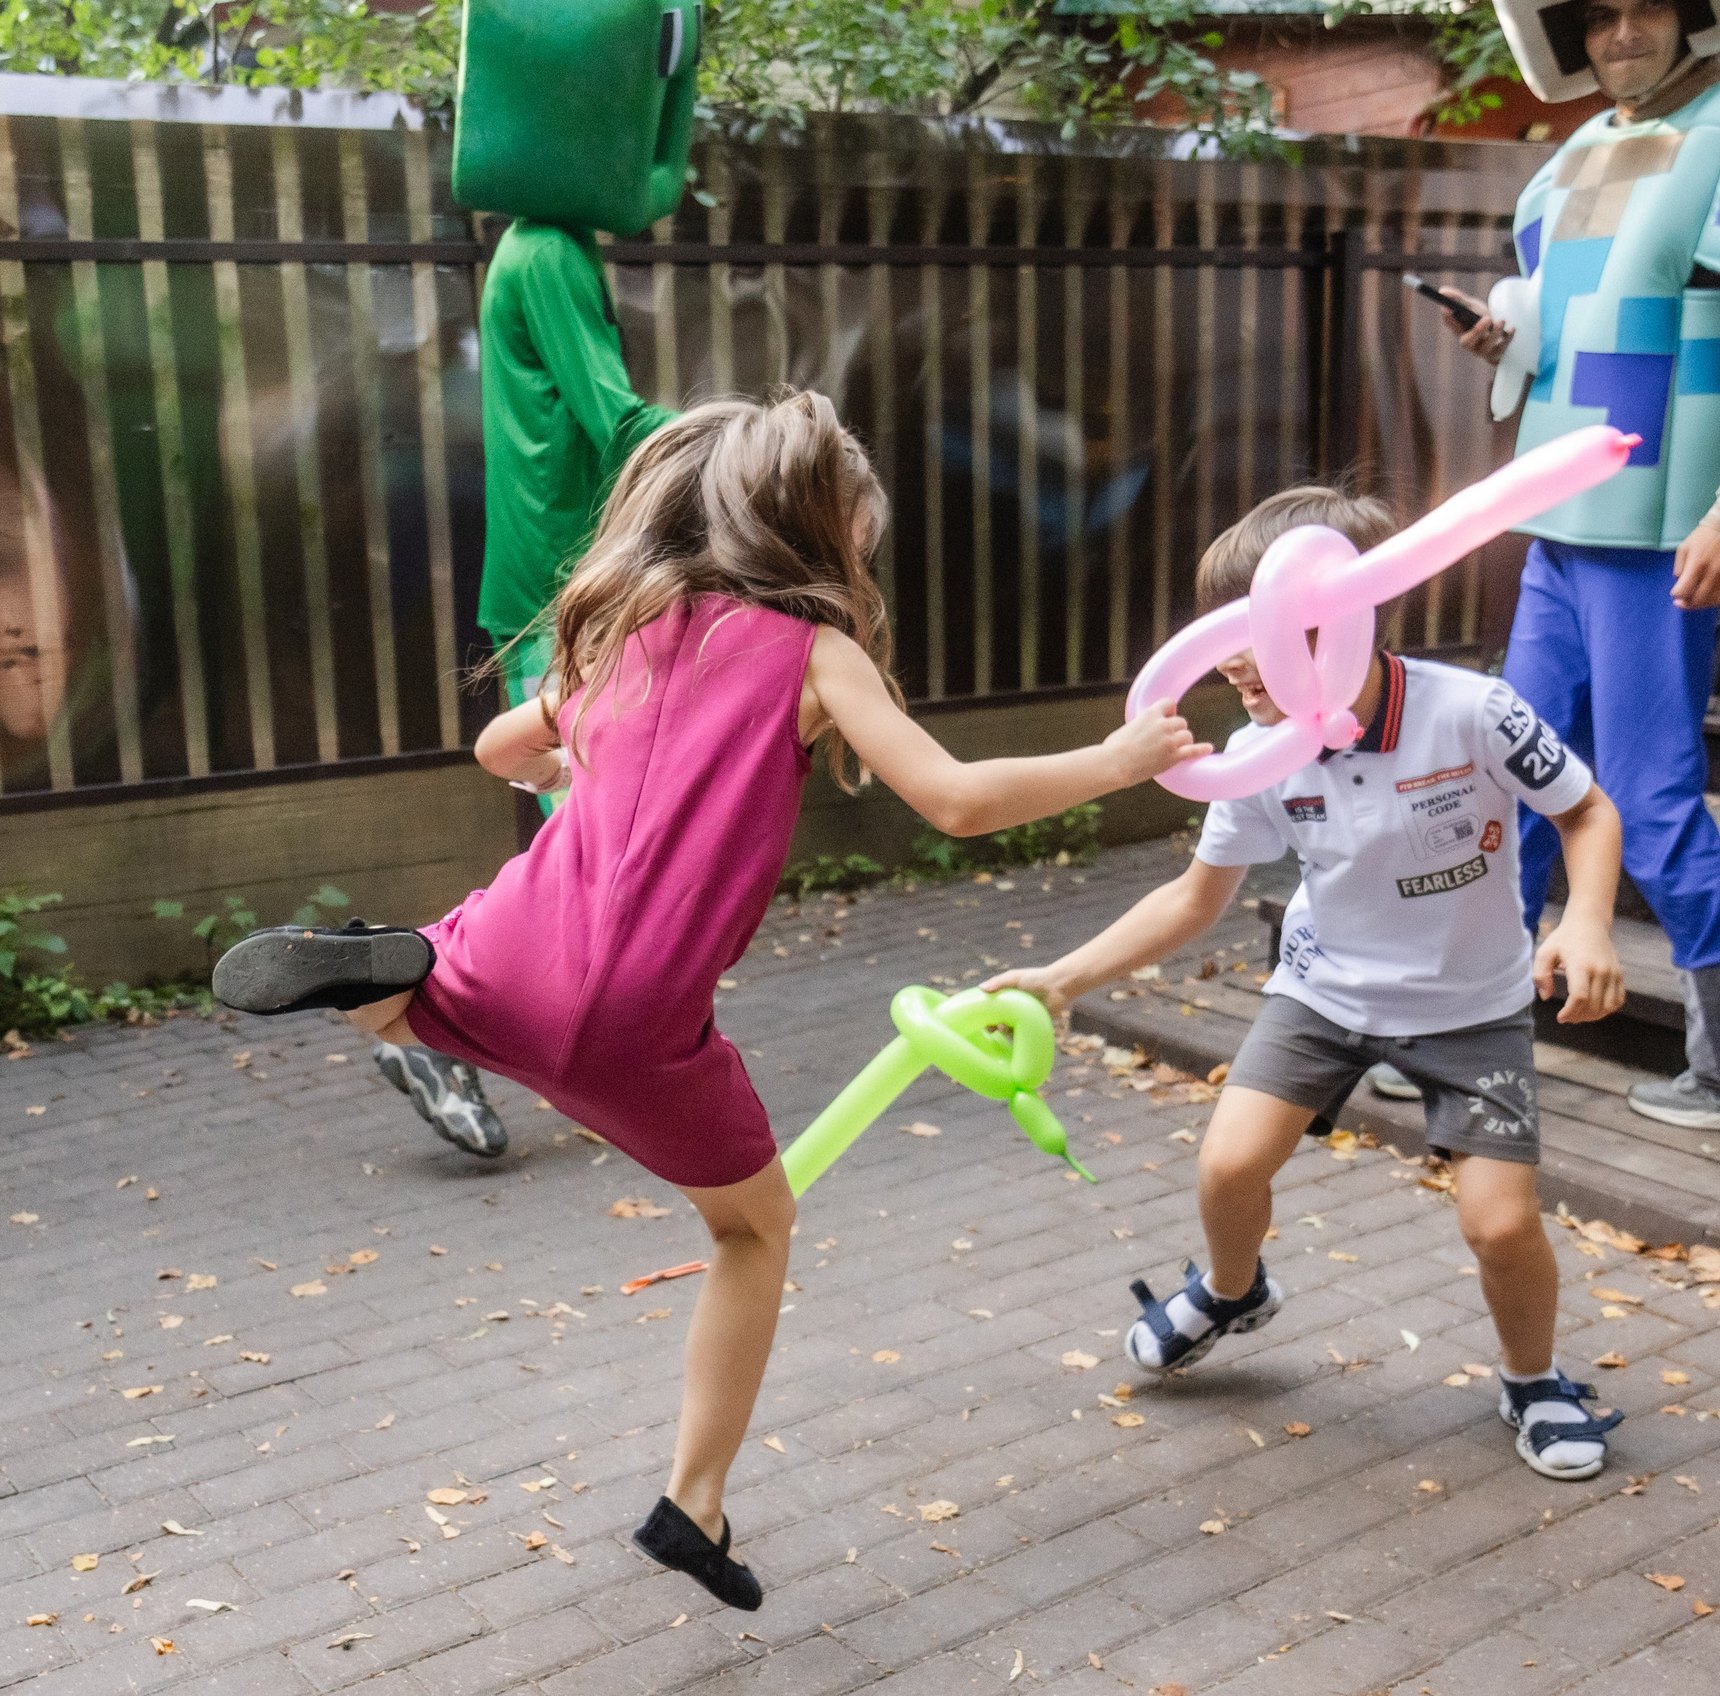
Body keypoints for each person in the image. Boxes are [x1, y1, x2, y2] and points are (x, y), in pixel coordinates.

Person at [208, 391, 1210, 1608]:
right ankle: (694, 1503)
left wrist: (573, 756)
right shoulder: (811, 653)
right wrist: (1117, 763)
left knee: (450, 980)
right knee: (753, 1228)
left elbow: (493, 754)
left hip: (508, 951)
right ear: (812, 534)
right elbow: (953, 799)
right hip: (637, 1016)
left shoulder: (623, 625)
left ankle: (382, 980)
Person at [991, 484, 1634, 1481]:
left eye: (1263, 629)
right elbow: (1193, 900)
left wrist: (1584, 920)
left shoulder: (1471, 711)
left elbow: (1587, 812)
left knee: (1500, 1223)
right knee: (1226, 1169)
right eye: (1223, 631)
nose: (1235, 658)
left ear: (1342, 623)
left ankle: (1533, 1380)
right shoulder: (1256, 758)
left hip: (1472, 1008)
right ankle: (1232, 1289)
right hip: (1323, 996)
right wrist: (1063, 977)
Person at [1439, 0, 1720, 1133]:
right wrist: (1510, 335)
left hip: (1661, 536)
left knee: (1647, 789)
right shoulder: (1578, 153)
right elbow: (1594, 321)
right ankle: (1467, 1026)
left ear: (1692, 13)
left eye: (1645, 6)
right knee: (1515, 767)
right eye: (1599, 16)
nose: (1621, 32)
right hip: (1565, 525)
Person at [369, 0, 701, 1154]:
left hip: (560, 577)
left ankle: (510, 1032)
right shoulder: (551, 253)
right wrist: (745, 453)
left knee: (577, 829)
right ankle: (415, 1023)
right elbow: (618, 420)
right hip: (565, 585)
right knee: (581, 832)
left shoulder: (538, 245)